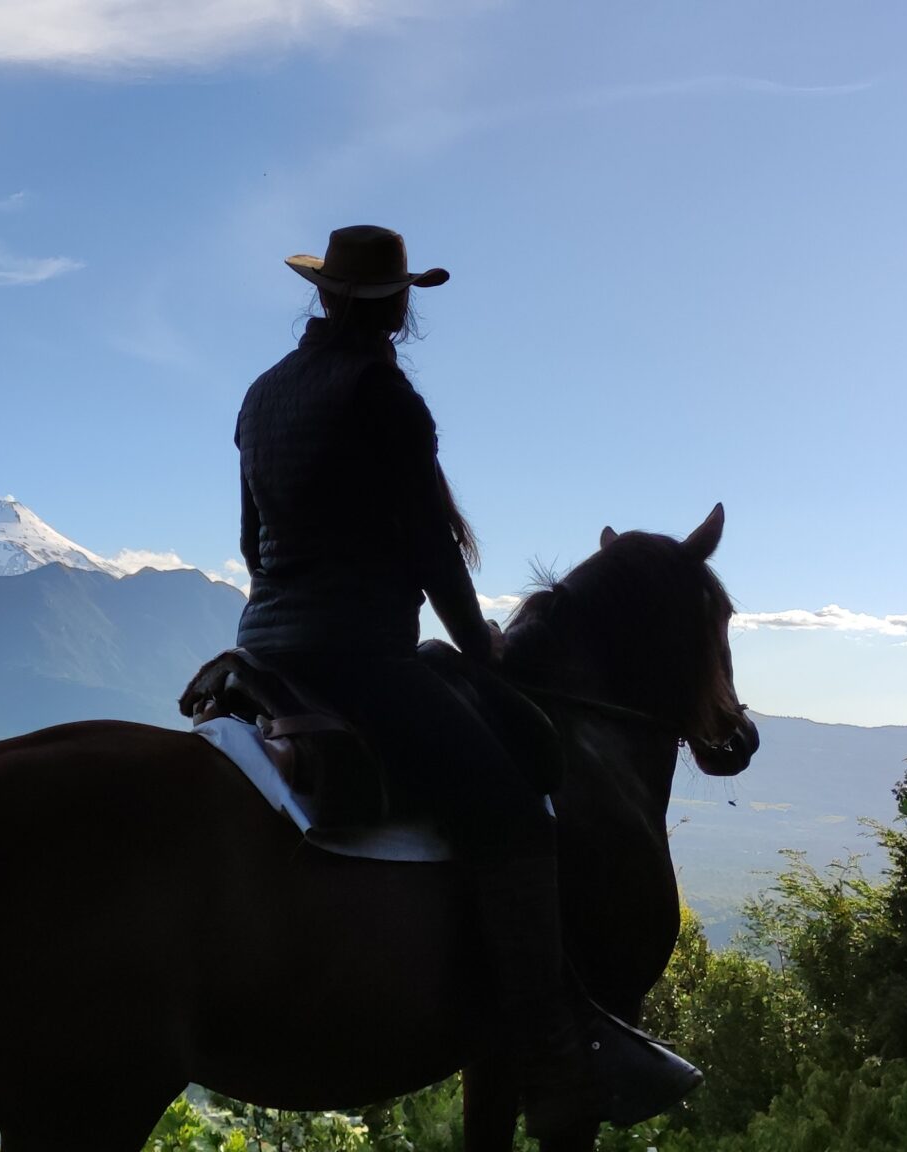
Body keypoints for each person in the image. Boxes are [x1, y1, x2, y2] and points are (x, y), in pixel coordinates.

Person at [234, 224, 704, 1135]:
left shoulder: (263, 396)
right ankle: (556, 1061)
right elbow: (432, 554)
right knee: (518, 813)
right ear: (401, 305)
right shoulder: (385, 397)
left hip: (262, 654)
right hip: (359, 658)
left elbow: (254, 544)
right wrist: (482, 657)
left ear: (324, 295)